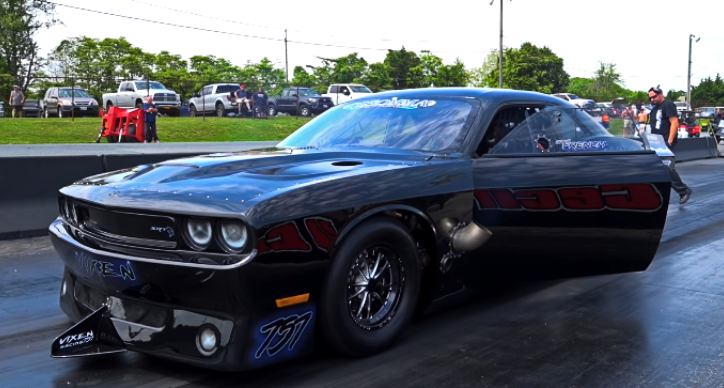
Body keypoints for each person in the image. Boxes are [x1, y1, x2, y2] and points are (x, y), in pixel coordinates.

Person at [648, 86, 692, 204]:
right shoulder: (653, 110)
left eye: (654, 97)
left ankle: (683, 191)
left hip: (666, 142)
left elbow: (674, 122)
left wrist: (670, 140)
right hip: (655, 142)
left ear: (661, 94)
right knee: (655, 169)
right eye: (650, 98)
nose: (652, 100)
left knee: (667, 168)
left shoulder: (668, 105)